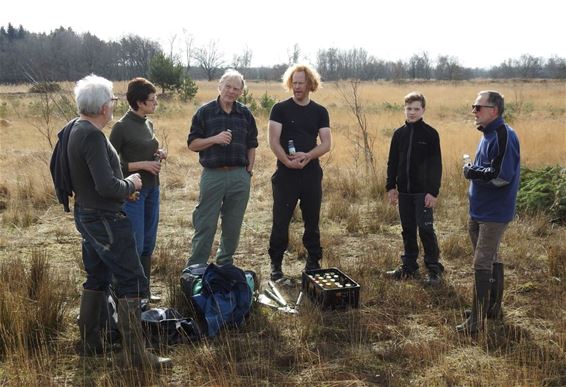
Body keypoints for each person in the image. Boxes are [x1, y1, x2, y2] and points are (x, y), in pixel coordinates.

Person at [68, 74, 171, 368]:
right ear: (103, 107)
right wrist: (131, 185)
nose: (113, 105)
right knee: (131, 280)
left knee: (97, 277)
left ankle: (90, 342)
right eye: (111, 100)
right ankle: (136, 356)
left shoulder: (75, 128)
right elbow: (107, 185)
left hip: (89, 215)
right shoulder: (91, 135)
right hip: (105, 219)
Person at [456, 90, 520, 334]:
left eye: (478, 107)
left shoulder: (504, 135)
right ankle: (491, 308)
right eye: (473, 106)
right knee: (489, 258)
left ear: (493, 110)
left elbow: (502, 176)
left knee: (481, 262)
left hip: (494, 212)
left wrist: (471, 172)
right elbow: (489, 168)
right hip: (479, 209)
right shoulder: (488, 133)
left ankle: (477, 320)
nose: (474, 111)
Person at [185, 69, 258, 269]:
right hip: (213, 176)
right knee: (205, 224)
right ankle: (196, 268)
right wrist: (214, 139)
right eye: (228, 87)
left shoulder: (245, 114)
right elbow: (192, 144)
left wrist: (248, 170)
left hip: (239, 176)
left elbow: (252, 143)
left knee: (232, 226)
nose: (231, 91)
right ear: (220, 86)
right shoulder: (205, 112)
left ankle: (225, 264)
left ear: (241, 92)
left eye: (236, 89)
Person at [267, 64, 332, 281]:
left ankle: (313, 262)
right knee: (281, 220)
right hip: (285, 174)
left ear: (310, 84)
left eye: (301, 83)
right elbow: (273, 141)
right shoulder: (280, 109)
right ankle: (276, 264)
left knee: (312, 220)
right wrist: (286, 160)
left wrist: (308, 156)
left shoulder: (320, 112)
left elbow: (326, 143)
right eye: (293, 82)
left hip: (311, 173)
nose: (296, 87)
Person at [110, 77, 166, 305]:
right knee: (136, 243)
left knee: (149, 243)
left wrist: (159, 153)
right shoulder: (121, 127)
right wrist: (142, 165)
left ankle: (144, 291)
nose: (155, 104)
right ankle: (129, 294)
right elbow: (110, 164)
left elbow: (147, 147)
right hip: (133, 192)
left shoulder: (147, 123)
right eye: (152, 100)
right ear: (139, 102)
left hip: (153, 189)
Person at [385, 92, 444, 286]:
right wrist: (391, 187)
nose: (412, 112)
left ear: (423, 110)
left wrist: (433, 192)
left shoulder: (430, 134)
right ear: (405, 109)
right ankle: (409, 266)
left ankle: (434, 269)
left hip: (423, 193)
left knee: (425, 229)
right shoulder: (399, 134)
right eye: (409, 108)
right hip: (404, 193)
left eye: (416, 109)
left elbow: (436, 166)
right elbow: (392, 162)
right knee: (407, 229)